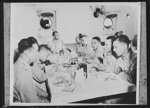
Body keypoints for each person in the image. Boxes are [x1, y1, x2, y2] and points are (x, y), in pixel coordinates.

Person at [14, 37, 48, 103]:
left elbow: (31, 87)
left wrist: (46, 94)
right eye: (35, 52)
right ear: (27, 53)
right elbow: (30, 101)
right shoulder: (23, 72)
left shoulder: (23, 64)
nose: (37, 55)